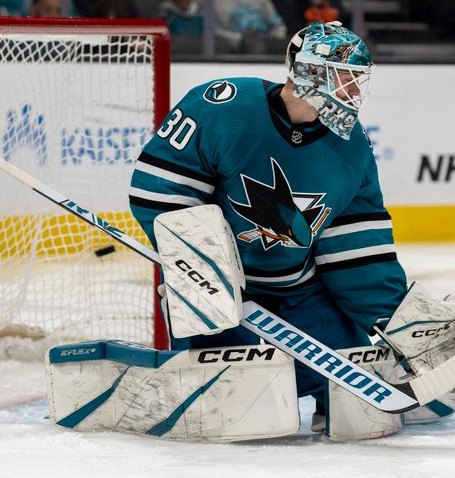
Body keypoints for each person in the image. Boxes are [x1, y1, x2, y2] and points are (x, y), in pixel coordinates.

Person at [129, 22, 403, 434]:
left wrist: (395, 322)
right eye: (342, 77)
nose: (352, 91)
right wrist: (203, 268)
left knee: (357, 402)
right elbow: (161, 192)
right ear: (306, 72)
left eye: (357, 80)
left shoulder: (351, 147)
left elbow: (355, 245)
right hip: (216, 291)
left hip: (298, 288)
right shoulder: (223, 106)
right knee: (235, 407)